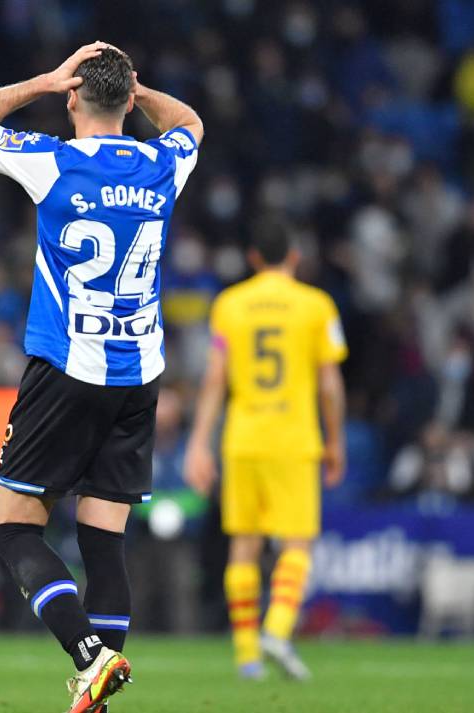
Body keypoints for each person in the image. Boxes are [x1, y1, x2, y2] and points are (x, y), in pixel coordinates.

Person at [0, 41, 202, 713]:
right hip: (140, 372)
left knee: (15, 529)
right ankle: (100, 697)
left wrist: (40, 78)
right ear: (128, 98)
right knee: (103, 538)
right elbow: (193, 125)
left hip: (67, 370)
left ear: (71, 97)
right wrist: (140, 92)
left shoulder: (53, 161)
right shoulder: (160, 163)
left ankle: (90, 656)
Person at [184, 223, 348, 680]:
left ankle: (247, 656)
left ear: (254, 256)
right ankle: (277, 629)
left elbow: (215, 378)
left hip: (243, 438)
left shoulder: (230, 304)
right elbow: (330, 385)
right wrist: (335, 440)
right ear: (294, 255)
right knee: (296, 542)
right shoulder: (316, 306)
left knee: (244, 545)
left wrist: (199, 442)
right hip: (294, 438)